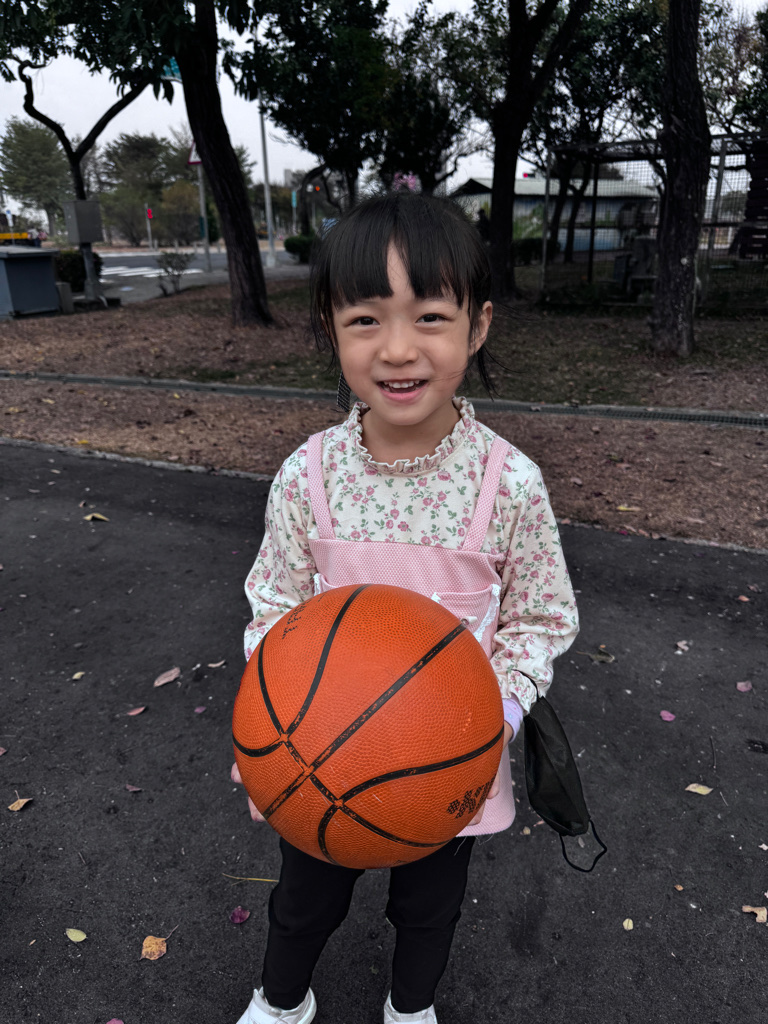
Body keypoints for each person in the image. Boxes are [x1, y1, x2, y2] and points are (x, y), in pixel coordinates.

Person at [232, 192, 579, 1024]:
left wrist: (495, 712)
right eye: (364, 319)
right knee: (302, 901)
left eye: (429, 316)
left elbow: (541, 618)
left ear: (478, 326)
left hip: (447, 768)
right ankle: (282, 1002)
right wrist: (275, 710)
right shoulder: (307, 477)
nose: (396, 348)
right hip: (317, 760)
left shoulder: (509, 485)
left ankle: (411, 1008)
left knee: (428, 910)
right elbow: (273, 602)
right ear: (331, 328)